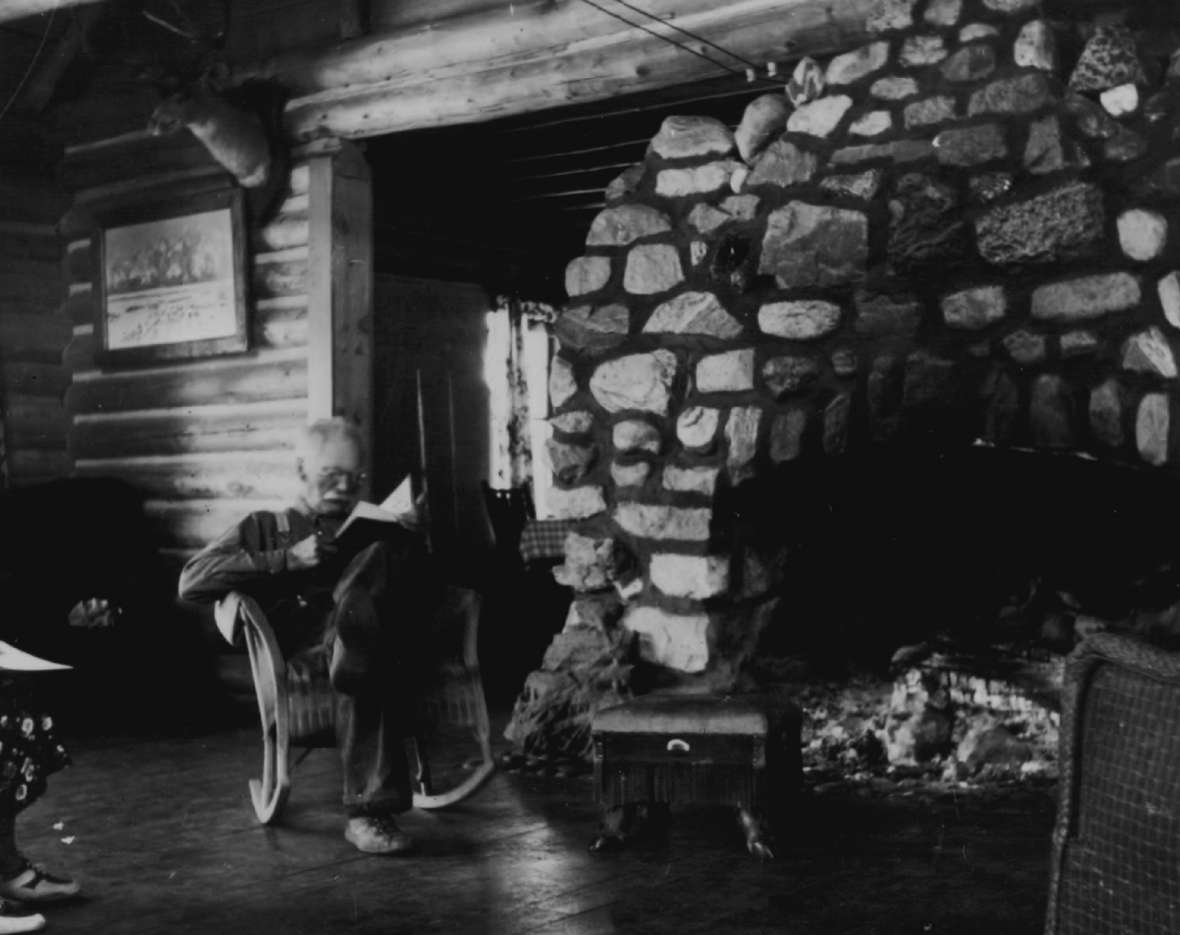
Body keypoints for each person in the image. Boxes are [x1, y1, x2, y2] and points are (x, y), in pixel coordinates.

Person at [178, 418, 438, 855]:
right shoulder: (266, 526)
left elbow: (431, 599)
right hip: (308, 655)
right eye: (329, 475)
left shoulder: (371, 525)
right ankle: (367, 812)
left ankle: (353, 641)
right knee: (366, 659)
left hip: (364, 651)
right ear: (301, 471)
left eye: (353, 478)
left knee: (382, 560)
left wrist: (415, 540)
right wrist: (285, 559)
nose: (342, 487)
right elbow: (191, 581)